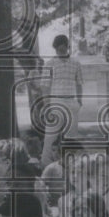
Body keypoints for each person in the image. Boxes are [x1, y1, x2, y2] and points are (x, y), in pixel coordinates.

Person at [41, 35, 83, 166]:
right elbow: (45, 86)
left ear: (67, 46)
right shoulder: (50, 64)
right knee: (50, 136)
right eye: (58, 49)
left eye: (63, 48)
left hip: (71, 101)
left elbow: (79, 83)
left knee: (72, 136)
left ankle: (72, 165)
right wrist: (47, 105)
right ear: (55, 49)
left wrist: (79, 101)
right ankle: (46, 165)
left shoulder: (76, 63)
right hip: (56, 102)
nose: (61, 51)